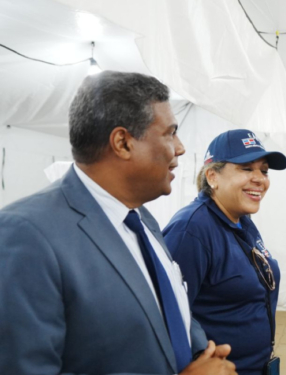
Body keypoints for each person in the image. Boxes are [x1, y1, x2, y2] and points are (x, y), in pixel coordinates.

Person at [0, 71, 236, 375]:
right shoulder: (26, 234)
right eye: (169, 133)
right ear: (123, 143)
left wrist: (202, 352)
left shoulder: (140, 218)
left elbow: (164, 309)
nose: (179, 148)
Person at [163, 129, 286, 375]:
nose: (260, 179)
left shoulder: (241, 220)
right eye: (246, 169)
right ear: (212, 176)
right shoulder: (192, 231)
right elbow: (167, 318)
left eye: (264, 170)